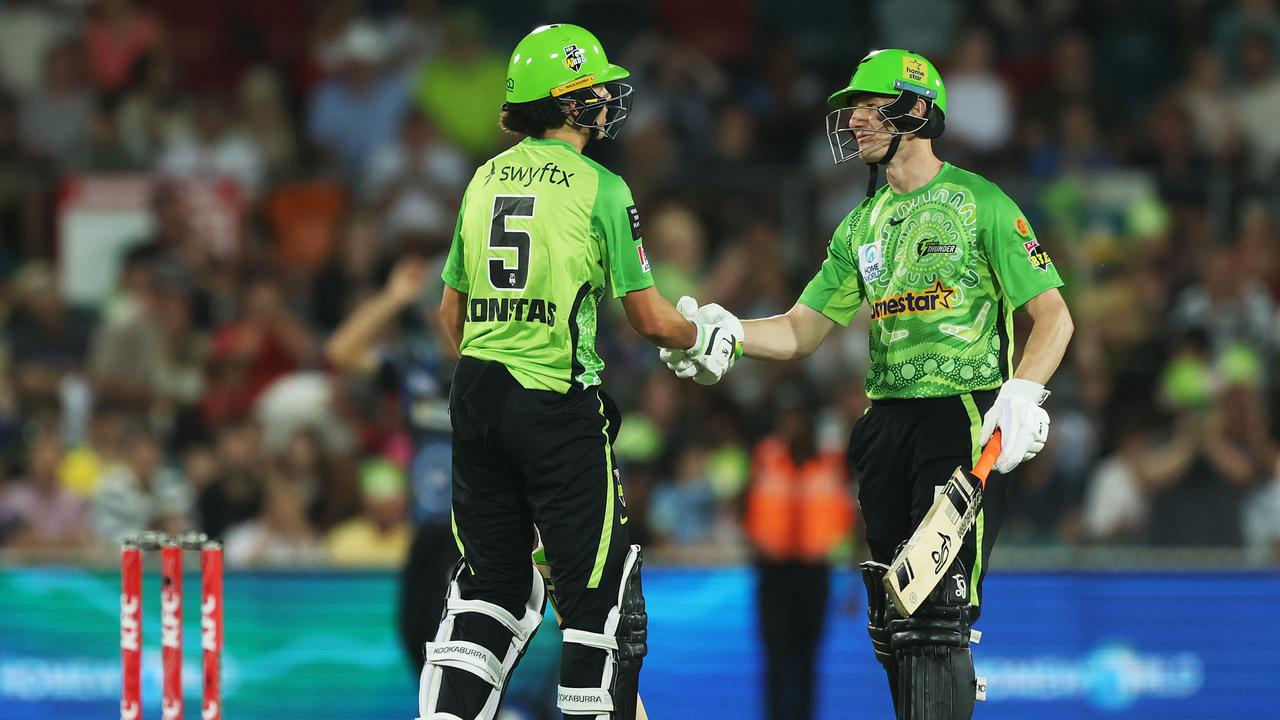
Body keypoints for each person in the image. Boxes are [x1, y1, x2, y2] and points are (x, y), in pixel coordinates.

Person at [662, 49, 1074, 720]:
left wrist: (1022, 391)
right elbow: (802, 329)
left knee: (937, 612)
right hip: (885, 426)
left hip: (961, 414)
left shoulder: (982, 203)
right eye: (850, 106)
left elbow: (1053, 315)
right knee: (895, 615)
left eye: (866, 104)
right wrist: (726, 331)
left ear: (915, 109)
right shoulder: (860, 225)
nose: (851, 119)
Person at [416, 23, 740, 720]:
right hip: (556, 405)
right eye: (593, 88)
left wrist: (502, 352)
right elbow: (651, 320)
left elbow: (450, 317)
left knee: (489, 593)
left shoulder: (481, 178)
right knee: (602, 603)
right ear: (566, 101)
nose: (605, 98)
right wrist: (703, 336)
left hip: (475, 395)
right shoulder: (601, 187)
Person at [744, 379, 854, 720]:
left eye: (795, 416)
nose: (789, 424)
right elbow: (749, 509)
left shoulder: (831, 461)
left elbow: (849, 518)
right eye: (784, 416)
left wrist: (850, 577)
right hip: (773, 573)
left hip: (813, 572)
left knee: (807, 661)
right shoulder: (766, 455)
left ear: (808, 419)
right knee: (776, 660)